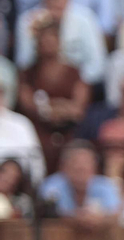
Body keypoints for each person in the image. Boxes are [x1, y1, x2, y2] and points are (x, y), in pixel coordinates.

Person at [16, 20, 88, 173]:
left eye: (52, 39)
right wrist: (61, 106)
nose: (48, 44)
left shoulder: (74, 72)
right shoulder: (27, 74)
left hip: (68, 135)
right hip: (37, 135)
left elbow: (77, 110)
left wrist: (49, 107)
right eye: (44, 40)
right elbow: (29, 106)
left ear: (59, 41)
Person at [15, 0, 107, 87]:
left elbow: (97, 63)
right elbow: (24, 62)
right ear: (45, 1)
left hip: (79, 83)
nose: (57, 4)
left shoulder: (86, 19)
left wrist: (72, 81)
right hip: (40, 83)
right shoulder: (28, 20)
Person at [38, 141, 120, 219]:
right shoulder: (52, 185)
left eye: (86, 167)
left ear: (95, 169)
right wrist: (76, 218)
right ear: (63, 168)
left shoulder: (105, 185)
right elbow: (48, 214)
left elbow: (116, 214)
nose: (81, 172)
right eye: (76, 167)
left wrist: (99, 219)